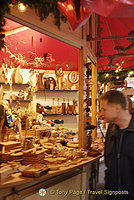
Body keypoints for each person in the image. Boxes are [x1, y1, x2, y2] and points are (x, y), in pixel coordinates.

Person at [99, 90, 134, 200]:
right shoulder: (111, 129)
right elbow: (110, 166)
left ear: (117, 108)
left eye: (104, 109)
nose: (101, 114)